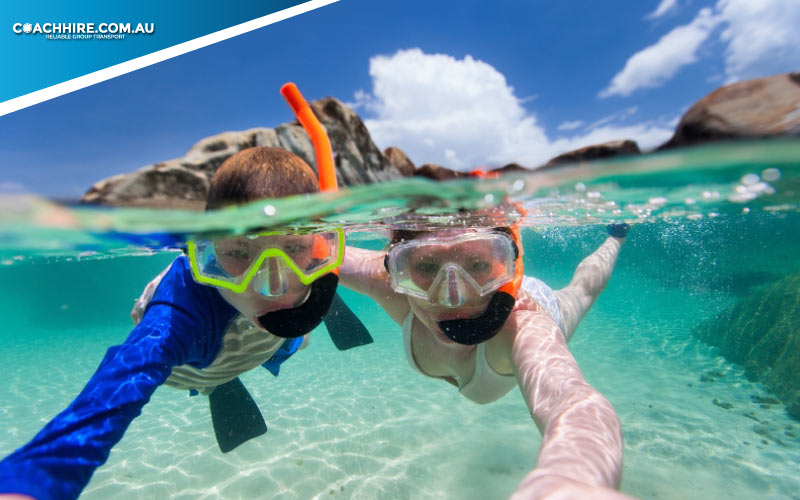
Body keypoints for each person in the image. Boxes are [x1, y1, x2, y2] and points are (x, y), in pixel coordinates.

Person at [0, 146, 347, 500]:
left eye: (292, 251)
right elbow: (116, 386)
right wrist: (33, 483)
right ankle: (218, 385)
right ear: (206, 247)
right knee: (259, 343)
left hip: (257, 344)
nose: (272, 289)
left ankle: (275, 345)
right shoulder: (180, 314)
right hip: (193, 366)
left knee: (295, 335)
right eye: (239, 253)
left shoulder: (315, 262)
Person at [339, 217, 635, 499]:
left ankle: (616, 238)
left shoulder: (523, 327)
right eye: (428, 265)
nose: (452, 298)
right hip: (487, 282)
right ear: (397, 270)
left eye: (477, 264)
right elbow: (317, 251)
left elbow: (571, 400)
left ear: (508, 263)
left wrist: (572, 479)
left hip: (534, 302)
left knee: (582, 290)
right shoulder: (389, 284)